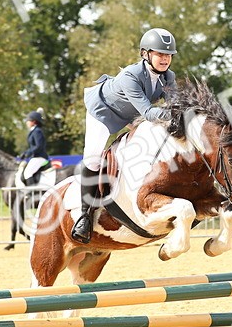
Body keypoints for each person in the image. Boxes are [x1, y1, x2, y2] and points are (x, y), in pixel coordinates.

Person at [71, 27, 179, 244]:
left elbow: (175, 104)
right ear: (145, 54)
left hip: (130, 113)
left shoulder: (169, 77)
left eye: (168, 55)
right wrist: (179, 113)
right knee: (92, 156)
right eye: (159, 54)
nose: (165, 59)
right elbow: (149, 112)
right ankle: (84, 216)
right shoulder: (131, 75)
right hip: (103, 110)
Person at [15, 111, 50, 187]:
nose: (27, 122)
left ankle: (33, 194)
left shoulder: (37, 131)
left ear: (34, 122)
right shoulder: (34, 131)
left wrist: (28, 153)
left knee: (27, 173)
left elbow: (38, 146)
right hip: (35, 157)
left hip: (40, 157)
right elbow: (32, 147)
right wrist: (25, 153)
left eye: (28, 120)